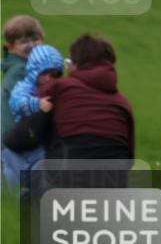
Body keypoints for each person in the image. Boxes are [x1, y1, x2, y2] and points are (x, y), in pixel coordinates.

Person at [3, 33, 135, 162]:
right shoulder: (123, 103)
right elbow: (129, 155)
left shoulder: (59, 88)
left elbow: (25, 134)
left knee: (11, 154)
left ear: (76, 64)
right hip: (115, 178)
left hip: (68, 176)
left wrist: (7, 139)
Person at [1, 15, 45, 191]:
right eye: (24, 41)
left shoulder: (21, 66)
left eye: (35, 39)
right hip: (15, 133)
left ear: (43, 40)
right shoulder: (21, 70)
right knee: (20, 181)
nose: (31, 45)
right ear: (12, 47)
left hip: (14, 134)